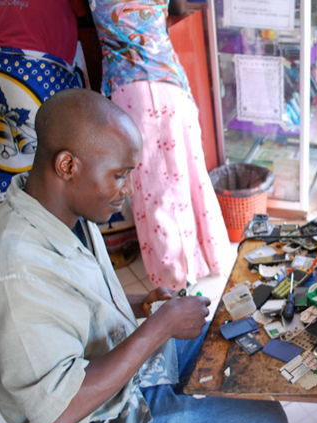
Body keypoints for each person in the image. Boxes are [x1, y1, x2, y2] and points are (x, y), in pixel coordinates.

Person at [0, 89, 289, 423]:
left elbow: (74, 305)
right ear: (68, 166)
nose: (129, 190)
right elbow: (58, 413)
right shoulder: (12, 271)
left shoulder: (61, 211)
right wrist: (160, 326)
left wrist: (143, 303)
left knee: (213, 328)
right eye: (119, 175)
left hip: (111, 385)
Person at [89, 0, 231, 289]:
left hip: (133, 92)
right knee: (192, 175)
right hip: (171, 82)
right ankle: (213, 258)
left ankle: (175, 280)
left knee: (156, 191)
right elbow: (177, 7)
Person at [0, 0, 88, 214]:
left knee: (3, 198)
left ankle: (7, 246)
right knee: (56, 185)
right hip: (37, 73)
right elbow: (87, 11)